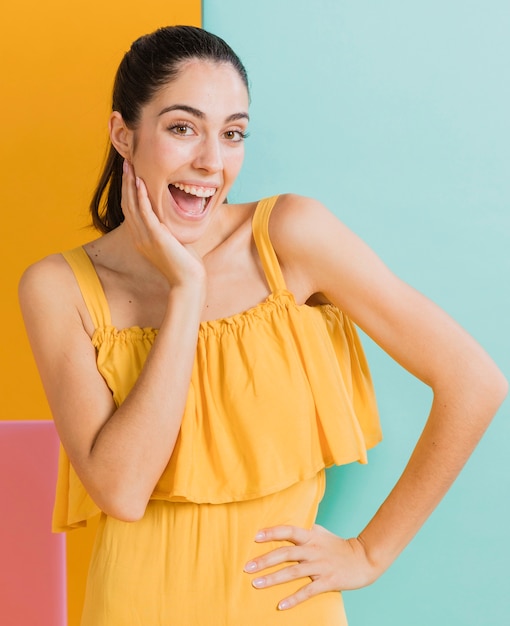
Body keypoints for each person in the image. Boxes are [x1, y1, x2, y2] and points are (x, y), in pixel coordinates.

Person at [19, 25, 507, 626]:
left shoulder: (291, 237)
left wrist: (368, 553)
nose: (211, 161)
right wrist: (185, 292)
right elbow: (120, 491)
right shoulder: (57, 288)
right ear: (124, 134)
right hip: (134, 607)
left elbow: (475, 382)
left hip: (284, 606)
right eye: (182, 128)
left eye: (232, 134)